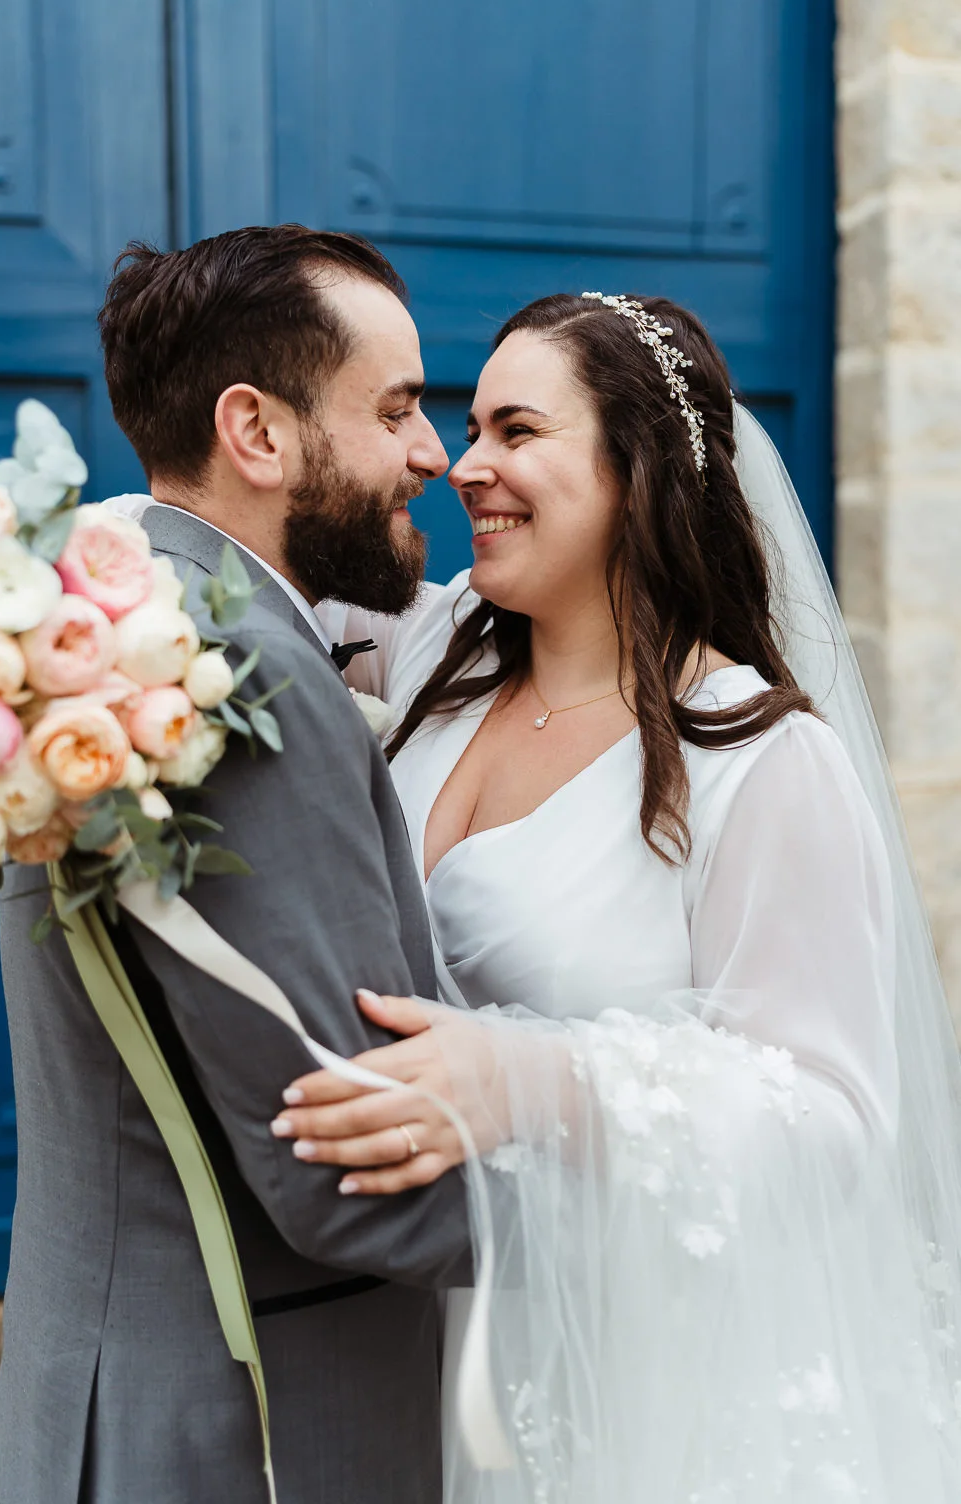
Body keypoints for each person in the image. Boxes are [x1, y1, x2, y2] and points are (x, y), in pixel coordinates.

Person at [275, 291, 961, 1500]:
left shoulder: (755, 761)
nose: (465, 465)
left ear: (637, 471)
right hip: (401, 1338)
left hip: (637, 1383)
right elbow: (224, 568)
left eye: (516, 431)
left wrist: (533, 1080)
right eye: (465, 426)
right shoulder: (427, 652)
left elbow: (834, 1118)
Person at [0, 225, 473, 1504]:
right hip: (247, 1426)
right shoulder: (237, 670)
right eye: (398, 407)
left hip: (109, 1389)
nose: (435, 452)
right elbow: (349, 1167)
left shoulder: (103, 629)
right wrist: (657, 1185)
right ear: (255, 432)